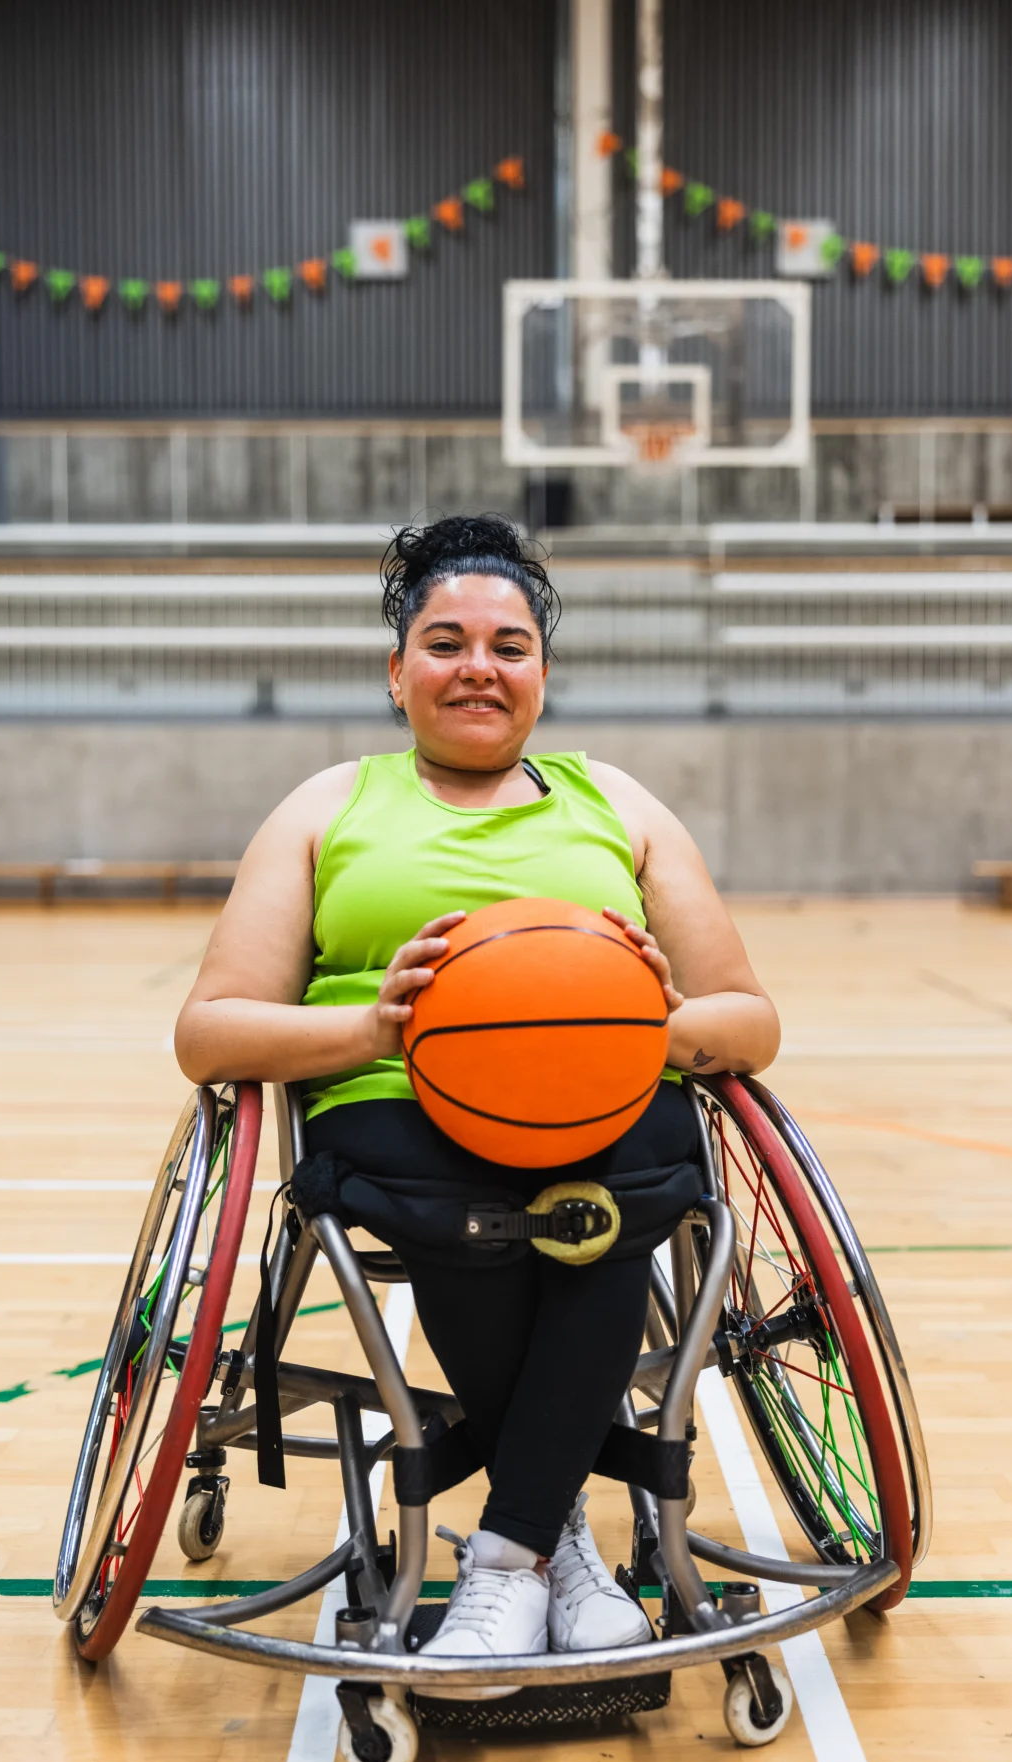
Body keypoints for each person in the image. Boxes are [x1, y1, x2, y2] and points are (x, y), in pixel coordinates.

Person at [175, 515, 779, 1695]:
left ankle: (510, 1555)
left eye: (509, 645)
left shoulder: (619, 806)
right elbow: (209, 1034)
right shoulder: (327, 807)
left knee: (608, 1189)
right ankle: (561, 1557)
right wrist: (370, 1027)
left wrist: (654, 1026)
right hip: (401, 1098)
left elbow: (748, 1020)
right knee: (475, 1199)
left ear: (541, 677)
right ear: (397, 672)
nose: (478, 667)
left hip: (606, 1100)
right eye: (445, 642)